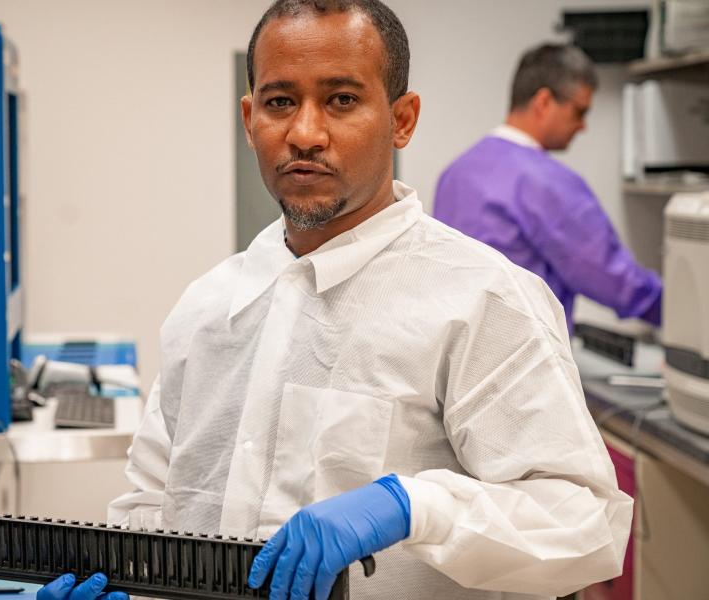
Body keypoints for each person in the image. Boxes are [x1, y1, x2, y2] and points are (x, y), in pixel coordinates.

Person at [39, 3, 631, 599]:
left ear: (402, 120)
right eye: (279, 102)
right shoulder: (208, 309)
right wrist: (124, 583)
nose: (305, 133)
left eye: (342, 99)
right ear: (249, 120)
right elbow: (151, 503)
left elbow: (583, 525)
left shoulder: (484, 300)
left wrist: (414, 506)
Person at [433, 43, 662, 334]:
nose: (583, 127)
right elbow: (611, 279)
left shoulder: (456, 173)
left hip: (461, 360)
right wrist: (680, 307)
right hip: (525, 364)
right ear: (543, 102)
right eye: (579, 112)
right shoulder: (549, 183)